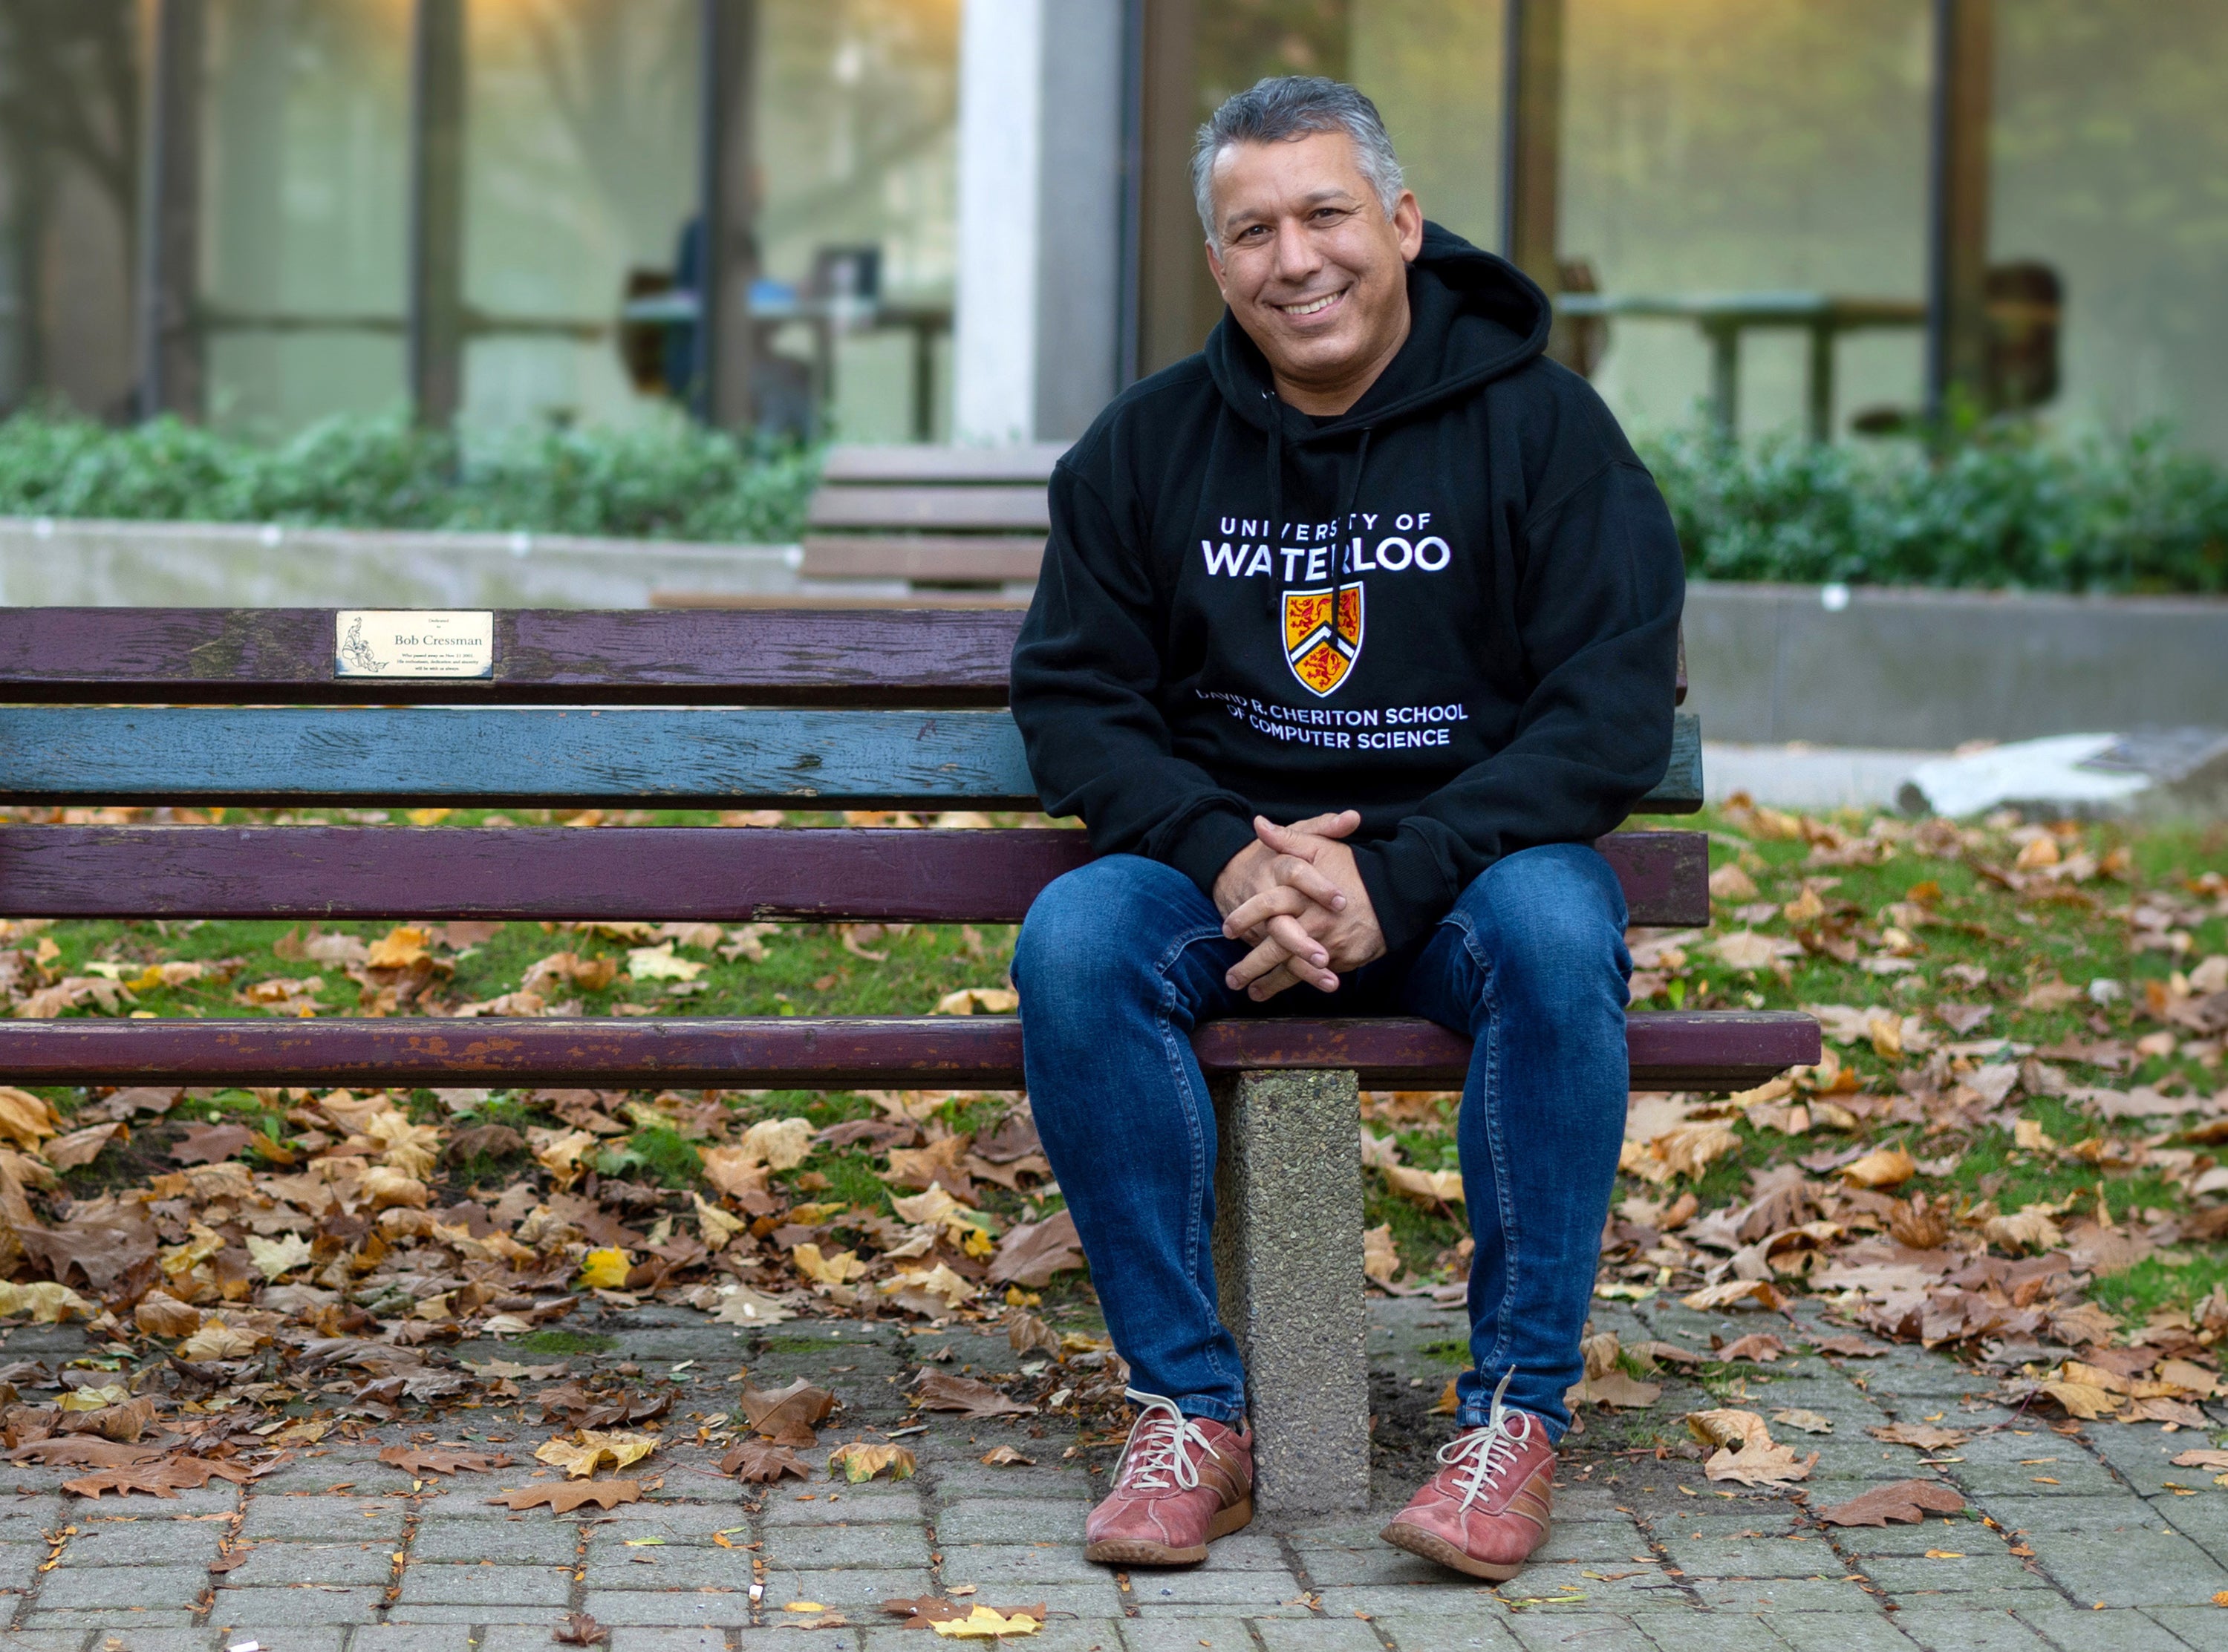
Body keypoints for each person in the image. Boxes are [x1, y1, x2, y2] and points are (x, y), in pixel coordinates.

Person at [1009, 76, 1683, 1581]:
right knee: (1074, 942)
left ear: (1404, 222)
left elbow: (1608, 709)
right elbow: (1075, 700)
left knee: (1559, 928)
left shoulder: (1548, 433)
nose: (1295, 259)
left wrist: (1399, 873)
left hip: (1469, 876)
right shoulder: (1143, 449)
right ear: (1216, 261)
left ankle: (1513, 1419)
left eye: (1326, 214)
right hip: (1220, 883)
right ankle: (1190, 1413)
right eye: (1252, 231)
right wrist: (1232, 855)